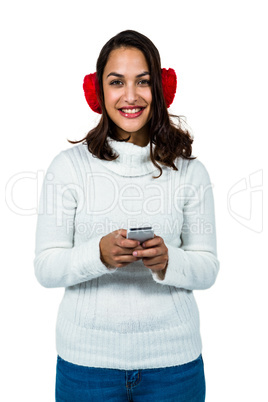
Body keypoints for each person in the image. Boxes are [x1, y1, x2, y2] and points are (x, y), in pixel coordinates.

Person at [34, 29, 220, 402]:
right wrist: (98, 255)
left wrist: (169, 260)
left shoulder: (190, 173)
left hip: (174, 366)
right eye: (117, 82)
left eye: (144, 82)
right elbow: (45, 267)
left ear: (161, 90)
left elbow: (208, 267)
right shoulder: (67, 168)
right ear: (98, 91)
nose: (131, 96)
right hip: (86, 366)